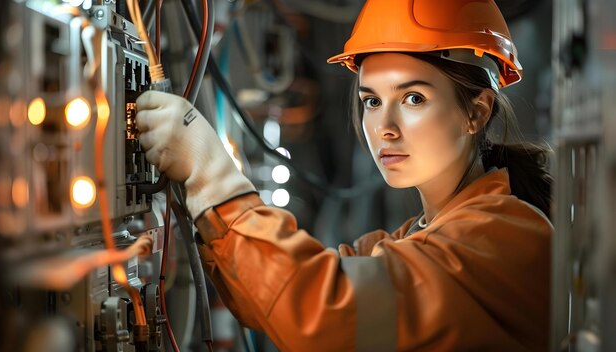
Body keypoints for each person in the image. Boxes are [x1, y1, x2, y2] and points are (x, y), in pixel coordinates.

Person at [135, 0, 553, 350]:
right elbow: (270, 296)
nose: (385, 126)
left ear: (476, 112)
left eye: (413, 97)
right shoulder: (410, 239)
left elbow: (323, 311)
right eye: (371, 101)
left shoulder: (505, 236)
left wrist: (215, 181)